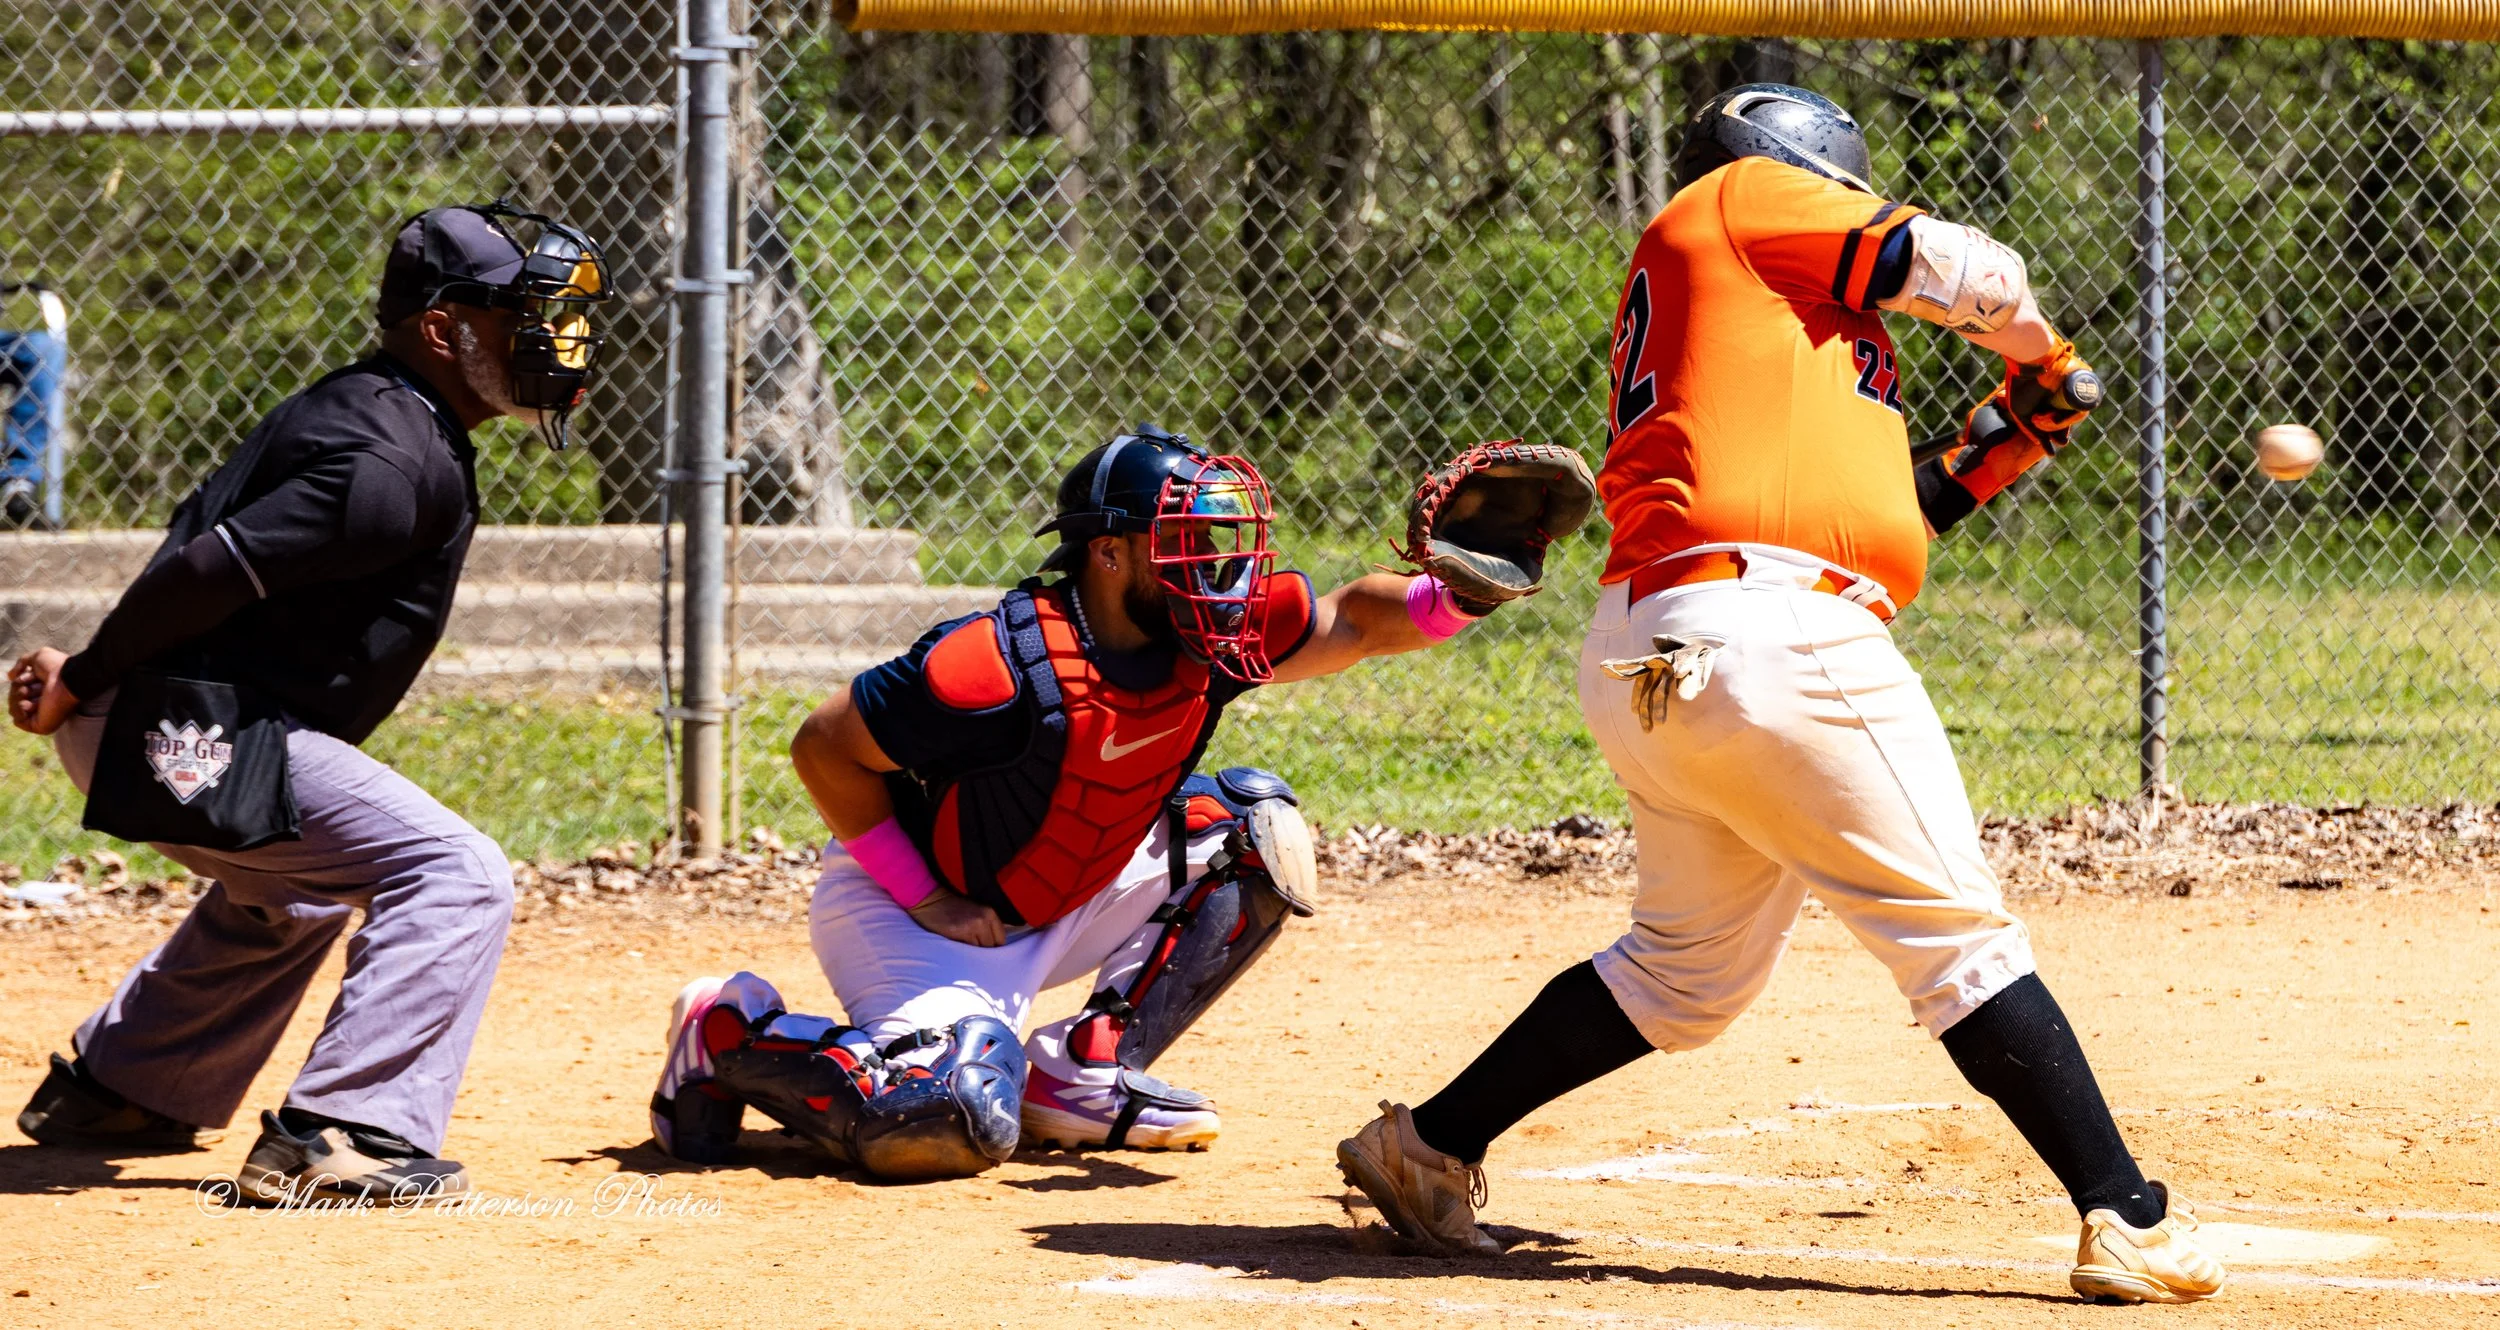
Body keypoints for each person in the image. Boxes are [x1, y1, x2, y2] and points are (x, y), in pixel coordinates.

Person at [1333, 84, 2226, 1306]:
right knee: (1956, 934)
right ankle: (2124, 1213)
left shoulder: (1757, 313)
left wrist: (2009, 435)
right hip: (1772, 637)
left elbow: (1880, 515)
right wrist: (2040, 349)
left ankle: (1426, 1144)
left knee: (1681, 974)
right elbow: (1970, 270)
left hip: (1664, 647)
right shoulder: (1749, 197)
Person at [649, 426, 1590, 1181]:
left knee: (1254, 830)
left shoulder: (1208, 630)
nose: (1221, 567)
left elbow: (1350, 619)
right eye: (1188, 543)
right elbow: (824, 746)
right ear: (1108, 552)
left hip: (1071, 888)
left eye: (1222, 541)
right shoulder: (994, 665)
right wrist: (926, 896)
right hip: (925, 916)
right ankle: (728, 1030)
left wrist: (1456, 593)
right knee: (945, 1125)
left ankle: (1086, 1068)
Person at [8, 202, 611, 1204]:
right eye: (517, 315)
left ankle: (128, 1085)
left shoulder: (392, 416)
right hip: (177, 732)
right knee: (454, 872)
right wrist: (81, 675)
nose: (547, 336)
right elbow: (205, 571)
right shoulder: (390, 460)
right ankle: (344, 1134)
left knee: (291, 887)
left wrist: (92, 684)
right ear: (439, 329)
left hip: (173, 719)